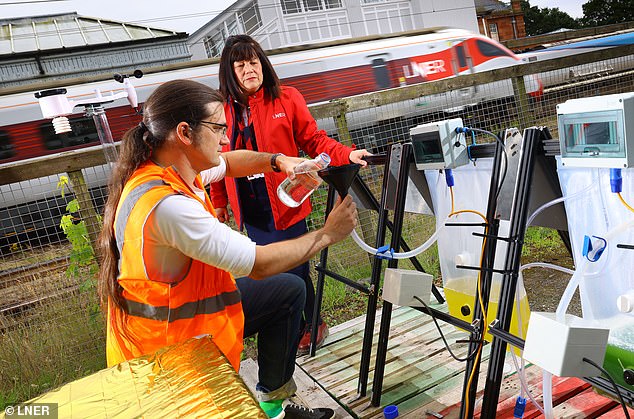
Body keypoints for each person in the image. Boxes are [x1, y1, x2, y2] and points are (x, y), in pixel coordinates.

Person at [98, 79, 358, 419]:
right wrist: (327, 235)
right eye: (219, 128)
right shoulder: (169, 207)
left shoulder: (171, 169)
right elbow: (261, 263)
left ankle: (273, 406)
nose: (225, 138)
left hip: (182, 323)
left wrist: (280, 161)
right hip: (169, 354)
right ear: (185, 133)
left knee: (289, 291)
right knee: (278, 280)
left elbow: (232, 162)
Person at [211, 34, 371, 354]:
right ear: (230, 72)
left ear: (263, 64)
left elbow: (314, 140)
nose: (249, 69)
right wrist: (219, 202)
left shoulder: (287, 97)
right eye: (240, 65)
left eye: (253, 62)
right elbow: (215, 159)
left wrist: (345, 154)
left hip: (287, 196)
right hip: (250, 203)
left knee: (295, 264)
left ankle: (309, 324)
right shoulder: (219, 109)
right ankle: (300, 325)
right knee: (272, 268)